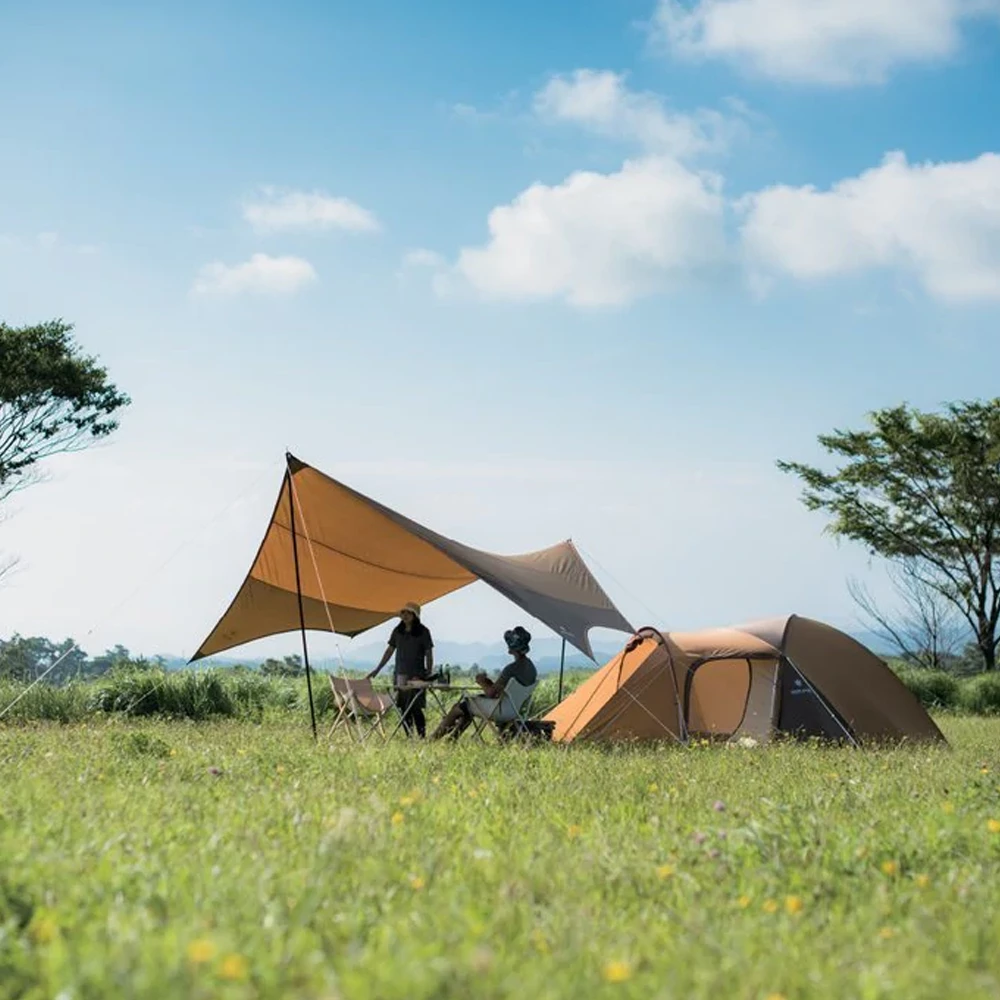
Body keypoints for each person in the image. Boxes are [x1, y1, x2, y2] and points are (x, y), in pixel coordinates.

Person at [431, 626, 537, 741]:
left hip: (499, 711)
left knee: (459, 707)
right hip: (514, 711)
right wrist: (489, 683)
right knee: (467, 707)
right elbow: (501, 689)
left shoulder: (511, 669)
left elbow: (491, 693)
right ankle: (452, 739)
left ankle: (433, 738)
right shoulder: (531, 669)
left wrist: (481, 681)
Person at [368, 602, 434, 737]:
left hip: (417, 675)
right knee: (403, 707)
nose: (404, 615)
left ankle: (422, 737)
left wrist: (428, 672)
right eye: (402, 612)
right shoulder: (397, 631)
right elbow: (389, 651)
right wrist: (378, 669)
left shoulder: (423, 632)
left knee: (415, 706)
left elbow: (429, 653)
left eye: (408, 612)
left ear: (414, 615)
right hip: (400, 674)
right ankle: (409, 736)